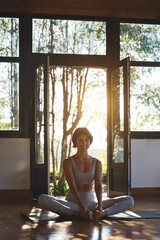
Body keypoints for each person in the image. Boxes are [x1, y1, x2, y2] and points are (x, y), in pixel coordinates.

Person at [38, 127, 134, 221]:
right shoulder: (68, 162)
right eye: (80, 140)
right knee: (42, 199)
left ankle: (102, 214)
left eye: (86, 140)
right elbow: (72, 185)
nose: (84, 143)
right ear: (75, 142)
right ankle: (78, 214)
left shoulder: (97, 163)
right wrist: (82, 207)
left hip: (92, 204)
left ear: (89, 142)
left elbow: (98, 186)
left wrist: (99, 207)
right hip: (73, 203)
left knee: (129, 200)